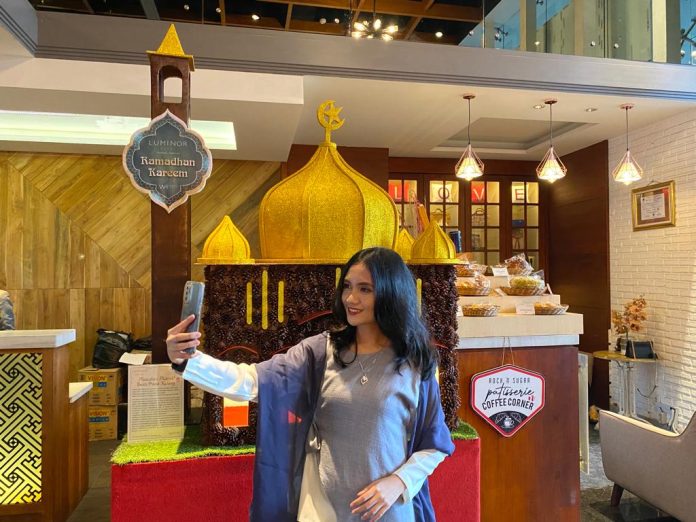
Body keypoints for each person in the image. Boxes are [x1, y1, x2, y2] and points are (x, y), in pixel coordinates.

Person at [167, 247, 454, 522]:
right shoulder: (320, 352)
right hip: (322, 511)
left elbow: (434, 444)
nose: (351, 298)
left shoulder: (415, 363)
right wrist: (188, 361)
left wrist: (398, 482)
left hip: (389, 513)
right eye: (347, 286)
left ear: (392, 293)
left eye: (365, 289)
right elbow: (252, 381)